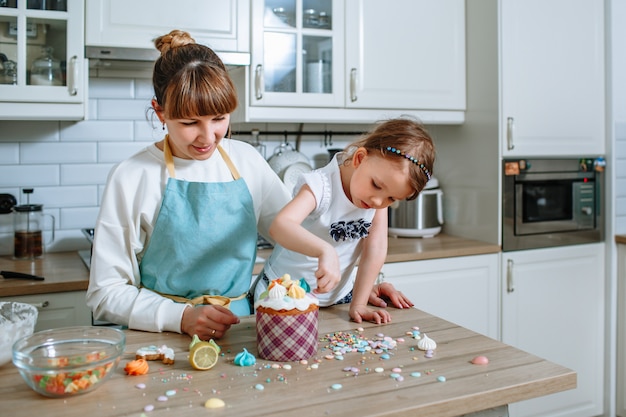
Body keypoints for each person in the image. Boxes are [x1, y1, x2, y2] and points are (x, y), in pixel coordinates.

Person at [86, 30, 291, 341]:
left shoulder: (247, 160)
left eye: (219, 118)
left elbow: (299, 237)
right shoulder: (132, 175)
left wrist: (356, 285)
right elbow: (105, 293)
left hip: (242, 334)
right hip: (161, 338)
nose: (208, 137)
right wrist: (180, 318)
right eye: (190, 123)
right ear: (161, 112)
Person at [255, 118, 435, 324]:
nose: (378, 201)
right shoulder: (321, 185)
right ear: (359, 158)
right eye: (376, 185)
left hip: (338, 300)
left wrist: (358, 304)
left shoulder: (377, 201)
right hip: (281, 297)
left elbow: (375, 249)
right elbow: (280, 226)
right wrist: (325, 251)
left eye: (392, 198)